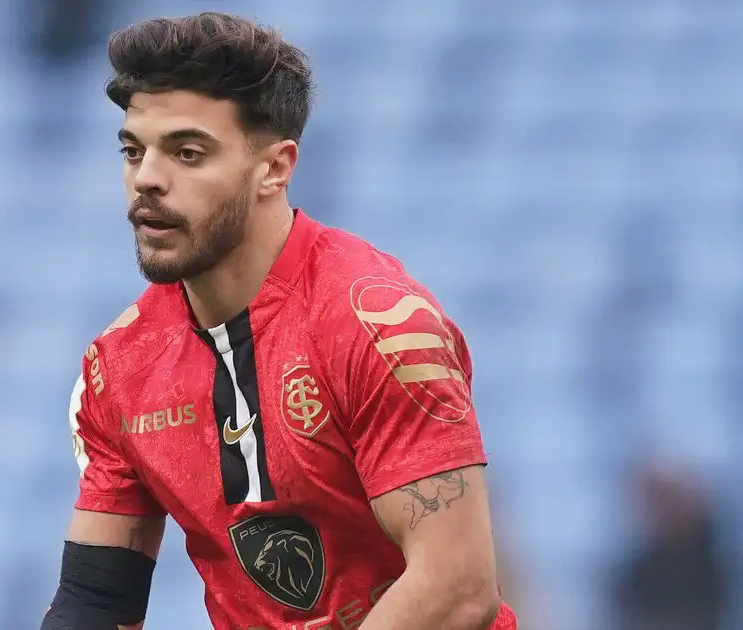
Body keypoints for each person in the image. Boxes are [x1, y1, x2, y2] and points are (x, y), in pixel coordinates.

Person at [42, 12, 519, 630]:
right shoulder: (118, 368)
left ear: (275, 168)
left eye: (187, 153)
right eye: (134, 150)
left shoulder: (377, 324)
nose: (148, 179)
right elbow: (95, 605)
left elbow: (457, 589)